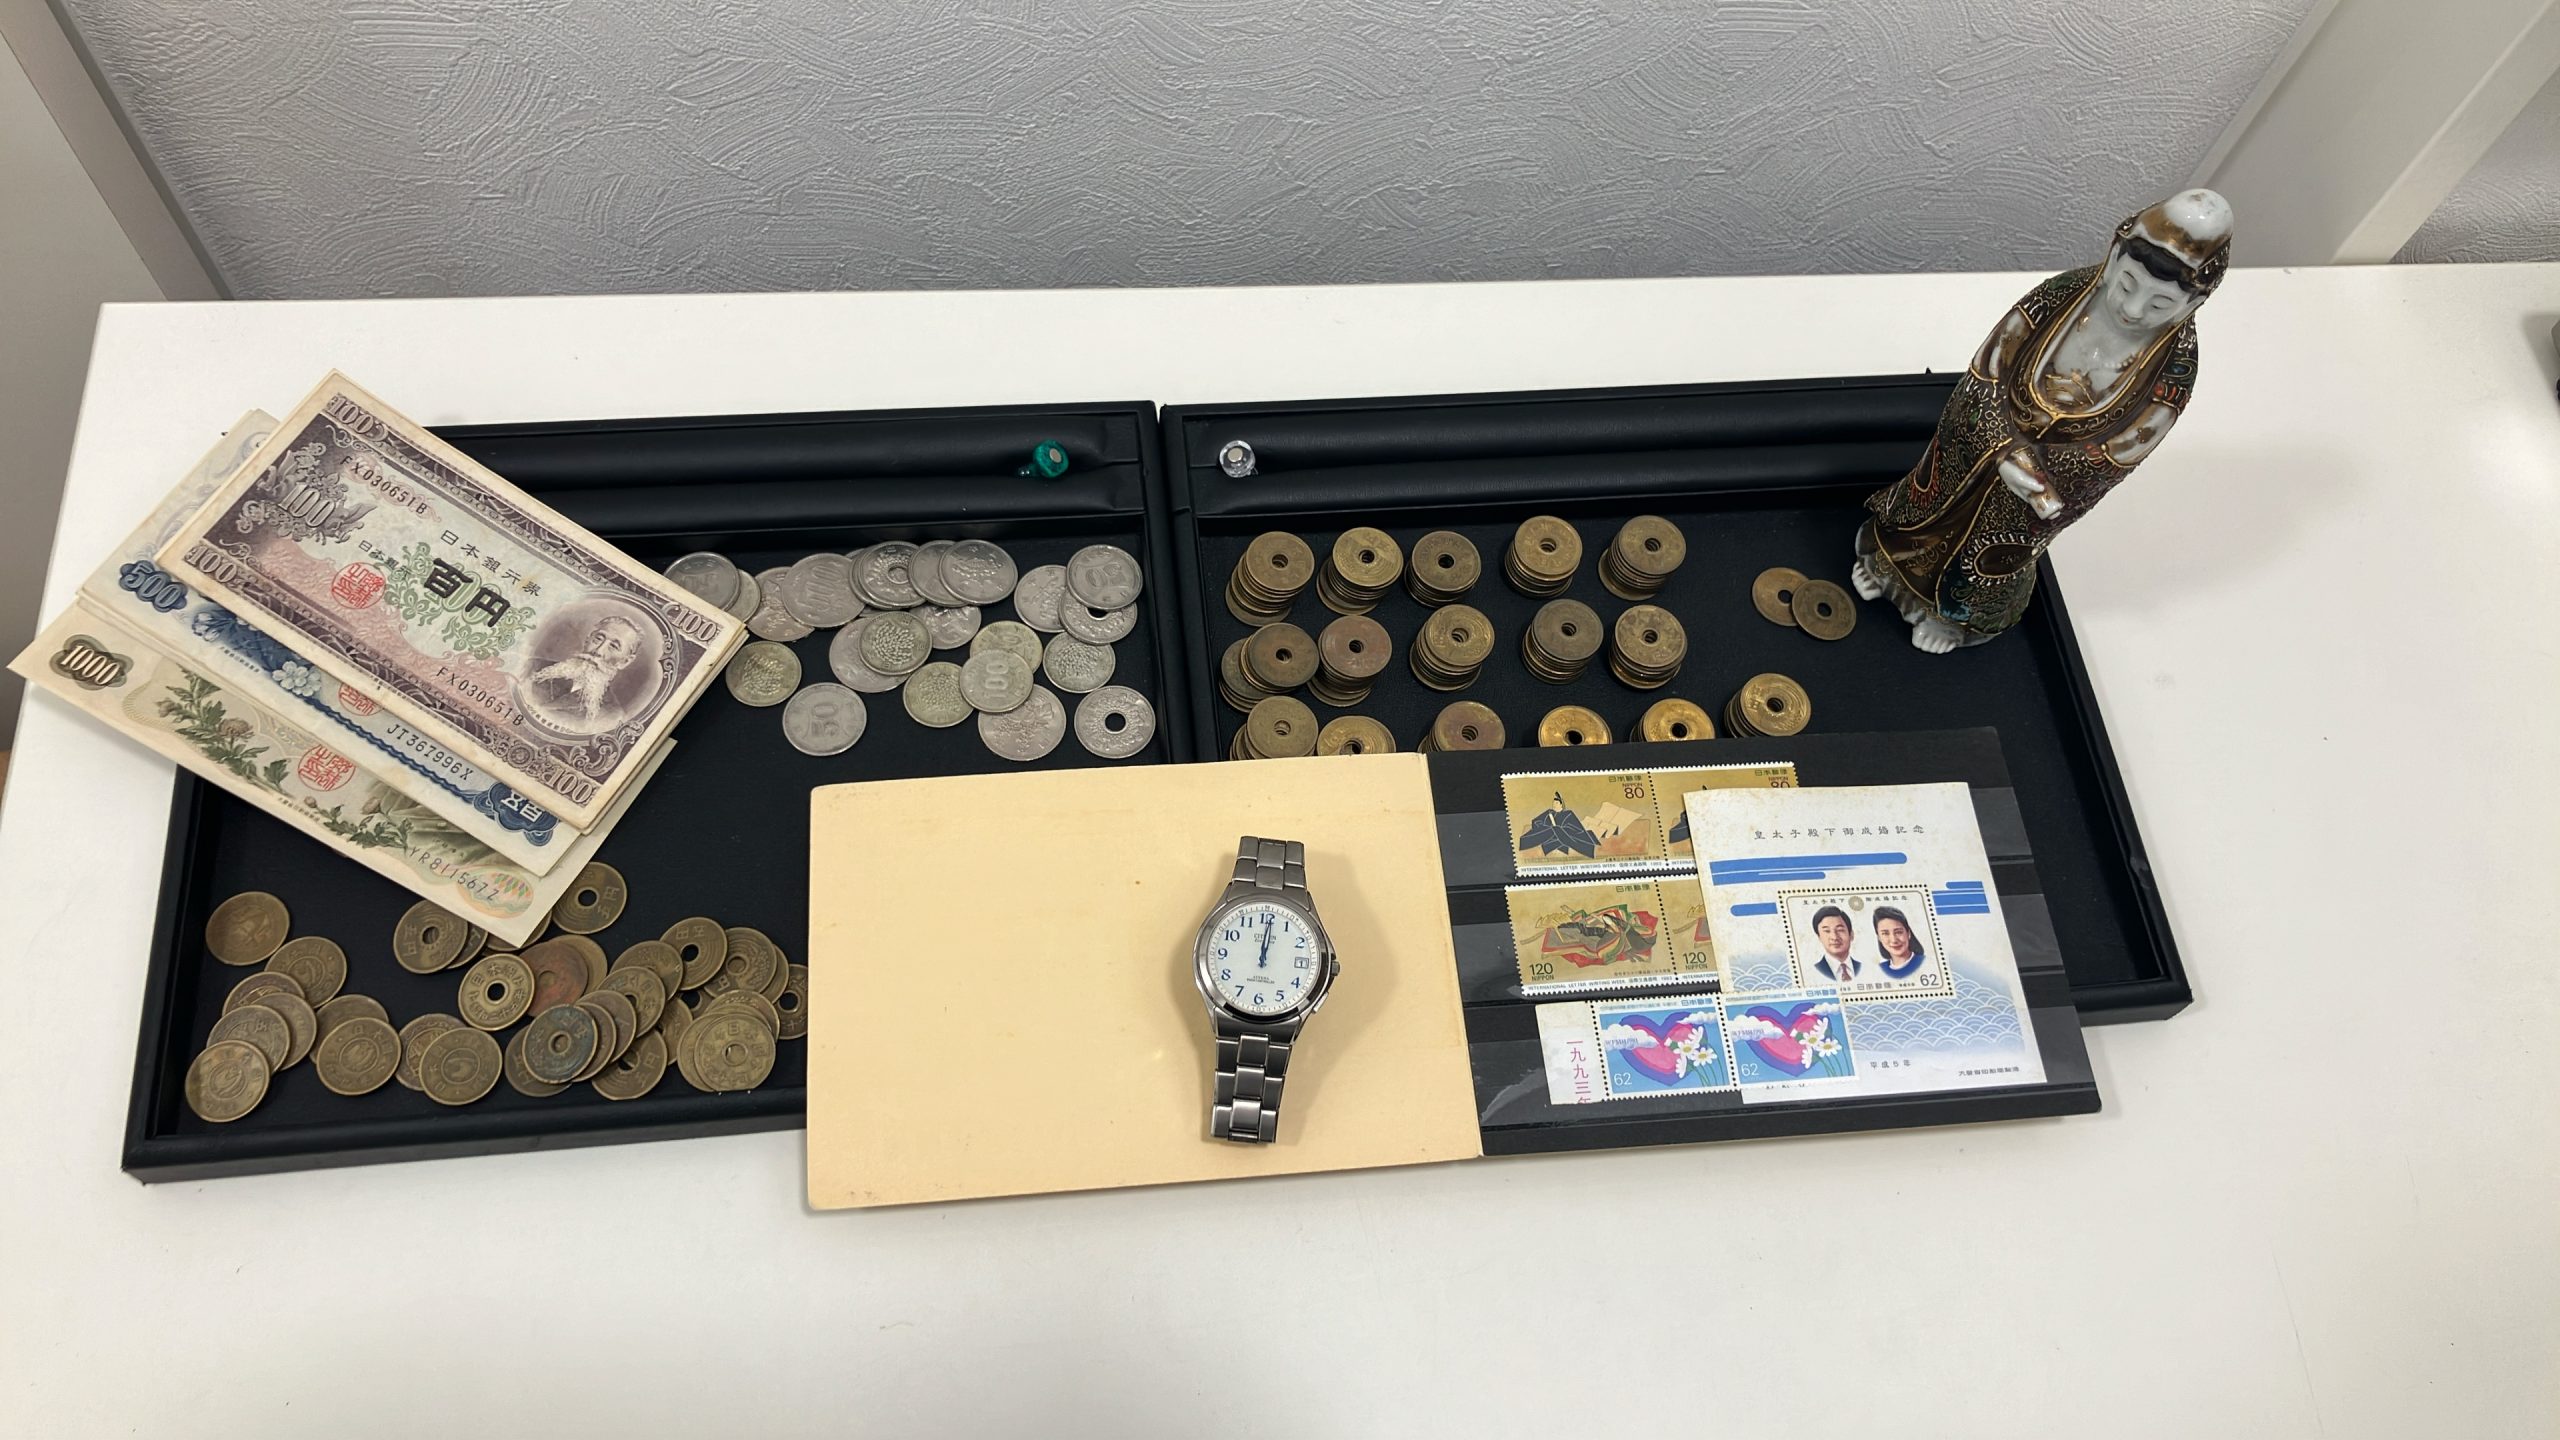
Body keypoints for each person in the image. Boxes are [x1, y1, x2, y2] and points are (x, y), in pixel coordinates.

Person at [1852, 189, 2231, 652]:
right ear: (2114, 257)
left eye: (2158, 305)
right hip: (1984, 433)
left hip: (2043, 484)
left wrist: (2039, 479)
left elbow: (2122, 451)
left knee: (1992, 552)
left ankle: (1951, 619)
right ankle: (1885, 567)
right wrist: (2000, 448)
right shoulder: (2060, 295)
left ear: (2192, 304)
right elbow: (1989, 369)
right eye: (2128, 284)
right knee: (1930, 501)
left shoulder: (2174, 372)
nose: (2132, 310)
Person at [525, 614, 643, 731]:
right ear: (587, 639)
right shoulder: (532, 666)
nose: (598, 651)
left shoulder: (611, 717)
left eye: (613, 646)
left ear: (624, 662)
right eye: (598, 639)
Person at [1872, 906, 1928, 980]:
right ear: (1879, 937)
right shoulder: (1879, 969)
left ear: (1908, 933)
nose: (1894, 940)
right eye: (1885, 933)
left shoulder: (1925, 963)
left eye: (1898, 932)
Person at [1807, 905, 1858, 983]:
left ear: (1851, 935)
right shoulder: (1811, 973)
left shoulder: (1865, 968)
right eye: (1827, 931)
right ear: (1819, 937)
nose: (1834, 937)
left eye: (1840, 930)